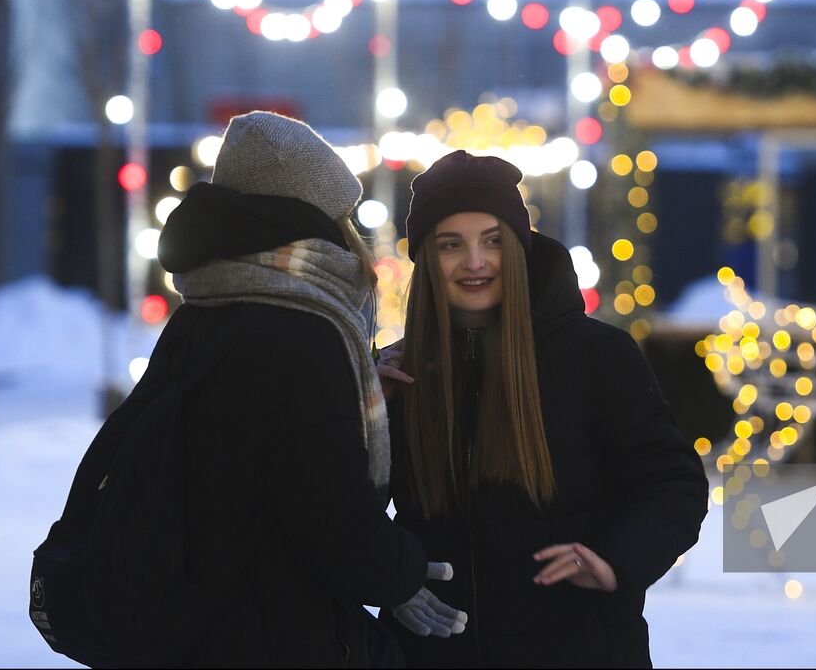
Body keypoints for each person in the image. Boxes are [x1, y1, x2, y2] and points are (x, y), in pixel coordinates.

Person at [152, 111, 466, 667]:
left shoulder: (205, 308)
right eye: (340, 213)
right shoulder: (302, 334)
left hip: (198, 619)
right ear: (307, 218)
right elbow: (330, 516)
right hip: (273, 628)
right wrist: (402, 572)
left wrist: (358, 386)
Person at [376, 150, 709, 668]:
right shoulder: (400, 373)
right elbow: (343, 512)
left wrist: (615, 561)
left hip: (581, 648)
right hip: (433, 653)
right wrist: (365, 412)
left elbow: (673, 483)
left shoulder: (596, 355)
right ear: (425, 260)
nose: (475, 262)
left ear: (519, 247)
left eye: (492, 240)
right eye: (449, 245)